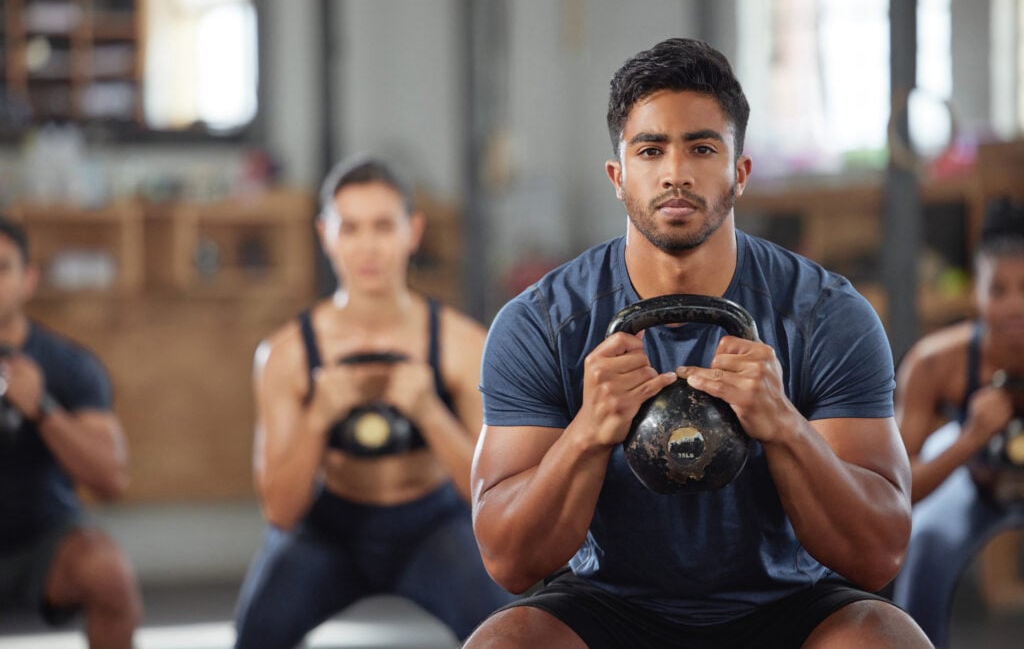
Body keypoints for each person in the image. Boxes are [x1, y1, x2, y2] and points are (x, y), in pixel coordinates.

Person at [463, 37, 932, 649]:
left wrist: (782, 423)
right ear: (618, 175)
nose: (675, 172)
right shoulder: (542, 322)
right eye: (651, 149)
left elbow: (879, 553)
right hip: (608, 605)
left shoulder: (827, 315)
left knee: (885, 639)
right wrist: (590, 430)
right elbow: (509, 562)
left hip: (784, 604)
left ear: (739, 172)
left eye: (702, 148)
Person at [233, 155, 516, 648]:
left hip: (433, 523)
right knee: (256, 633)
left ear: (413, 232)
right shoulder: (286, 355)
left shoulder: (463, 343)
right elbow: (280, 511)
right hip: (332, 524)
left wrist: (429, 411)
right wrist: (318, 417)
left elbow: (493, 495)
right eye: (351, 228)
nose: (367, 247)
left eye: (383, 227)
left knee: (511, 635)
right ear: (326, 235)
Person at [0, 216, 141, 647]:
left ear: (28, 280)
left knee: (108, 573)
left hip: (42, 540)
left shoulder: (68, 365)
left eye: (1, 268)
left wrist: (42, 408)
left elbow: (112, 480)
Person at [891, 196, 1024, 647]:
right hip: (974, 484)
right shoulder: (935, 364)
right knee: (927, 540)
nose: (1014, 307)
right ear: (976, 292)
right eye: (999, 290)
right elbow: (896, 491)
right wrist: (972, 437)